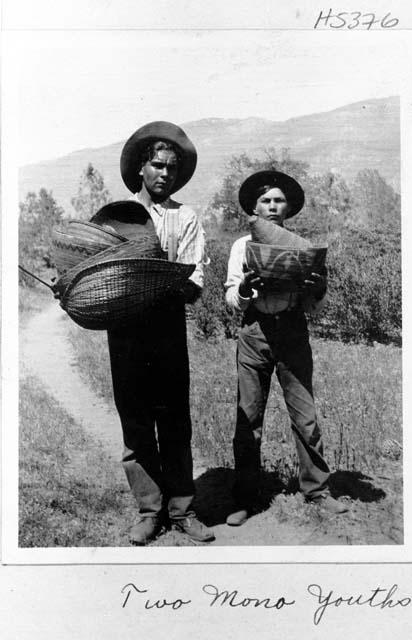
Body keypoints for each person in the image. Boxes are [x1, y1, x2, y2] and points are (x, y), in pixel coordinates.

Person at [107, 121, 214, 545]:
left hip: (167, 330)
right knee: (135, 421)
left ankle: (182, 509)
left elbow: (193, 281)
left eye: (171, 167)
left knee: (174, 421)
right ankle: (150, 511)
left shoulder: (185, 218)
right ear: (140, 169)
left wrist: (161, 277)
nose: (164, 174)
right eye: (156, 165)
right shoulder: (115, 217)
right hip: (126, 331)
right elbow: (100, 271)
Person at [224, 170, 349, 526]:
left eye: (279, 200)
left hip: (293, 331)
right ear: (254, 207)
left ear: (288, 207)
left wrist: (318, 289)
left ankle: (318, 490)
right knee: (248, 417)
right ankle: (246, 497)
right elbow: (232, 297)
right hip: (255, 332)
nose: (273, 206)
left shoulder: (301, 246)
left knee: (305, 415)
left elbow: (313, 307)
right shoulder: (240, 246)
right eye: (266, 201)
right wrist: (246, 287)